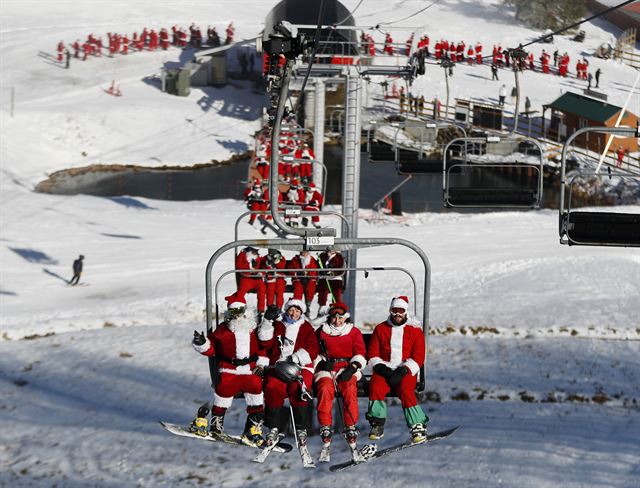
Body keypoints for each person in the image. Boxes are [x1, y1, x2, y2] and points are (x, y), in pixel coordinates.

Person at [191, 297, 268, 446]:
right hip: (230, 369)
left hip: (250, 370)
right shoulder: (223, 330)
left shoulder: (253, 329)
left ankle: (253, 430)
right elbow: (212, 348)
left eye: (240, 312)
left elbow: (263, 349)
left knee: (257, 392)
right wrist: (202, 343)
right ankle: (216, 426)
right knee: (223, 391)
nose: (237, 316)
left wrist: (261, 364)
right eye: (233, 312)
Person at [258, 299, 319, 453]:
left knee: (298, 388)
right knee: (272, 387)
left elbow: (312, 349)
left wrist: (295, 358)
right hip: (278, 365)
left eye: (297, 311)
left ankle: (301, 427)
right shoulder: (278, 325)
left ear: (301, 313)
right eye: (291, 310)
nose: (294, 314)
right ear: (286, 310)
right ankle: (273, 426)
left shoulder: (306, 328)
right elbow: (265, 343)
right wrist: (266, 322)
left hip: (300, 364)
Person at [366, 296, 429, 443]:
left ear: (405, 312)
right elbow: (373, 353)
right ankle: (377, 423)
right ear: (390, 311)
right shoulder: (381, 329)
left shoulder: (414, 331)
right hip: (385, 369)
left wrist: (403, 371)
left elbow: (418, 356)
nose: (397, 314)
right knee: (375, 387)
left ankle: (417, 424)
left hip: (405, 369)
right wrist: (382, 368)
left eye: (400, 311)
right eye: (394, 311)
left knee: (406, 390)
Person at [314, 302, 366, 459]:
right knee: (324, 388)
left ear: (345, 318)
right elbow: (314, 351)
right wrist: (321, 362)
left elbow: (360, 351)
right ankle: (325, 425)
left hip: (346, 367)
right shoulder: (322, 332)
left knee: (349, 388)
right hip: (328, 368)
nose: (337, 321)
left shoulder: (353, 332)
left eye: (340, 318)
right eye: (334, 318)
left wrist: (353, 367)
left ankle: (350, 425)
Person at [226, 247, 266, 321]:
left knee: (262, 290)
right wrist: (242, 254)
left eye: (256, 251)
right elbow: (239, 266)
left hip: (257, 278)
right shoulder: (244, 256)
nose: (255, 252)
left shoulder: (259, 258)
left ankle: (261, 311)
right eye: (254, 251)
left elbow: (264, 266)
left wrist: (260, 272)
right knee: (241, 291)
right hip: (246, 278)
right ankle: (237, 307)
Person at [316, 248, 345, 316]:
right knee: (323, 289)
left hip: (335, 278)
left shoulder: (338, 257)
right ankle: (322, 307)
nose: (330, 252)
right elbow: (318, 266)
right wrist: (322, 271)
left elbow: (341, 268)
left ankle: (337, 308)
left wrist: (332, 272)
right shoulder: (323, 256)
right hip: (325, 278)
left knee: (336, 292)